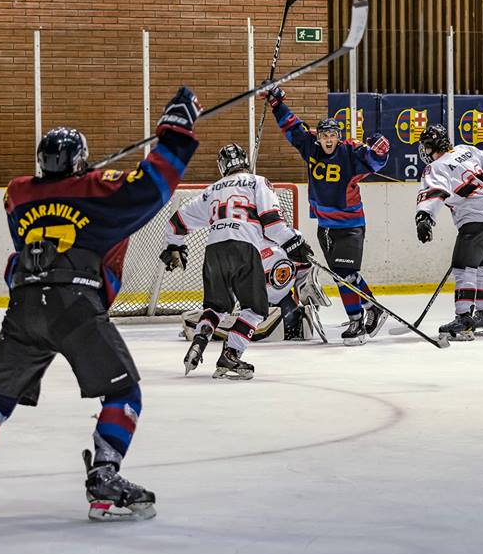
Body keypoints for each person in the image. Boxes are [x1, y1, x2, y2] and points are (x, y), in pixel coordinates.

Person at [0, 88, 202, 522]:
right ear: (79, 160)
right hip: (74, 302)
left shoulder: (17, 196)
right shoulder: (96, 190)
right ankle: (105, 476)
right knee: (123, 390)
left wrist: (76, 180)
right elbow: (153, 186)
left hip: (23, 307)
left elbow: (43, 211)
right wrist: (176, 129)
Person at [161, 144, 312, 380]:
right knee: (255, 309)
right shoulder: (258, 181)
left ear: (222, 167)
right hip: (244, 247)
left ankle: (200, 341)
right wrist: (294, 242)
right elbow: (272, 223)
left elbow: (175, 223)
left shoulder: (211, 190)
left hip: (214, 250)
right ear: (244, 160)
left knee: (216, 306)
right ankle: (231, 355)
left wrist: (175, 246)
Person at [263, 85, 390, 345]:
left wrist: (381, 151)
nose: (328, 139)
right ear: (319, 137)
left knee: (344, 274)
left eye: (333, 134)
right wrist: (277, 104)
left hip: (350, 225)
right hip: (325, 226)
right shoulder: (311, 147)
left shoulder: (350, 152)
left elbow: (375, 161)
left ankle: (356, 322)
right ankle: (373, 308)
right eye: (324, 135)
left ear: (339, 137)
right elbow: (292, 127)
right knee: (346, 274)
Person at [414, 124, 483, 341]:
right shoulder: (464, 149)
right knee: (482, 266)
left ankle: (464, 320)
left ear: (430, 147)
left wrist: (424, 216)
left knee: (464, 268)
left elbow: (434, 192)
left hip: (477, 218)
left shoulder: (435, 167)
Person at [178, 239, 330, 343]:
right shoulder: (248, 241)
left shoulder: (290, 241)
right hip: (250, 300)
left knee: (291, 322)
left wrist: (306, 294)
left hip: (281, 302)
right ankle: (211, 325)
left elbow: (305, 276)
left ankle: (210, 326)